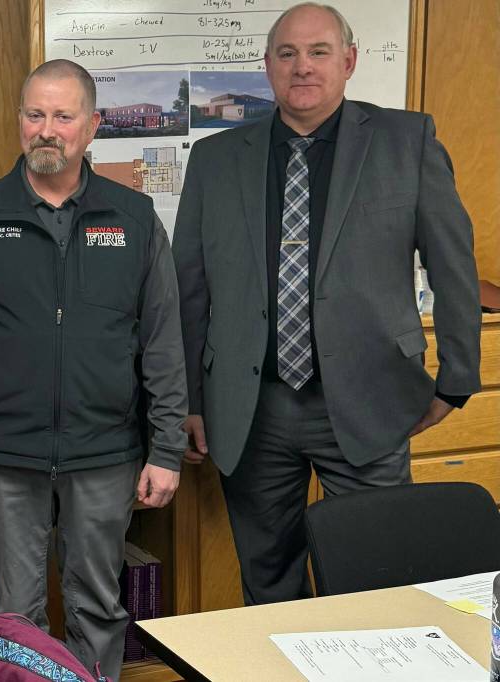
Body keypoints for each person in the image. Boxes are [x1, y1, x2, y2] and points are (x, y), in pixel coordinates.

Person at [173, 2, 481, 606]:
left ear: (349, 61)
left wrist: (456, 380)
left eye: (318, 52)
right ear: (267, 67)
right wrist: (187, 398)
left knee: (379, 576)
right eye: (287, 54)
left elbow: (454, 268)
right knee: (268, 580)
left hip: (370, 400)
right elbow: (189, 286)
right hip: (251, 408)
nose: (302, 67)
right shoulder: (216, 159)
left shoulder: (406, 140)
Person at [0, 59, 187, 678]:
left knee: (98, 609)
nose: (47, 130)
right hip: (2, 458)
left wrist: (167, 448)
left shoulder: (134, 219)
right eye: (35, 114)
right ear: (20, 121)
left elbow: (162, 343)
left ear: (92, 126)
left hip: (105, 455)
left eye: (63, 116)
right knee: (16, 618)